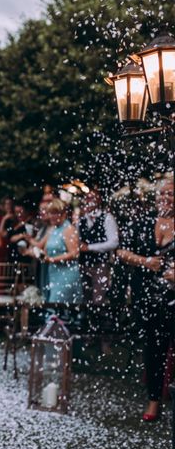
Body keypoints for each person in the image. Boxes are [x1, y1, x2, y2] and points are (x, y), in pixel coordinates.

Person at [116, 174, 174, 422]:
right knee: (153, 348)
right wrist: (146, 261)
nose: (165, 198)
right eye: (162, 194)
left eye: (171, 194)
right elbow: (121, 252)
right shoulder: (144, 221)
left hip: (172, 293)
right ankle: (154, 400)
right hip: (147, 295)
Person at [77, 188, 119, 331]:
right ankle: (88, 330)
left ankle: (102, 331)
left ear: (99, 200)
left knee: (99, 298)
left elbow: (114, 242)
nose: (89, 201)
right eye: (87, 198)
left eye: (93, 198)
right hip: (83, 264)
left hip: (101, 264)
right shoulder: (81, 220)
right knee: (86, 297)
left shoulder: (107, 218)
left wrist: (90, 248)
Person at [39, 199, 82, 304]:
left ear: (63, 214)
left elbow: (75, 253)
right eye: (50, 213)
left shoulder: (69, 229)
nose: (51, 216)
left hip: (66, 275)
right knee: (53, 306)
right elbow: (44, 249)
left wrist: (53, 259)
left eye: (55, 213)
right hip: (53, 274)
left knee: (57, 306)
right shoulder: (54, 229)